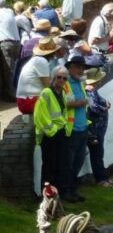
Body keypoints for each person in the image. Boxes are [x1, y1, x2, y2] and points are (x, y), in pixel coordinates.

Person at [33, 66, 70, 195]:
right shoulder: (46, 93)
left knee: (58, 166)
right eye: (59, 77)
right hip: (50, 136)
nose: (62, 80)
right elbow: (39, 115)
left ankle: (56, 196)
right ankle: (47, 198)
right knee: (49, 168)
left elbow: (62, 112)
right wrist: (52, 130)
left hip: (60, 133)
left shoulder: (63, 92)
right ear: (53, 77)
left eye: (65, 78)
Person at [62, 56, 90, 202]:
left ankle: (73, 190)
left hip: (82, 128)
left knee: (78, 162)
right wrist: (82, 102)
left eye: (82, 67)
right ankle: (65, 192)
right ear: (70, 68)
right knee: (68, 163)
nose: (80, 70)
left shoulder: (79, 83)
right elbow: (66, 104)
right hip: (71, 129)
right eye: (77, 67)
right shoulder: (66, 83)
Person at [85, 67, 113, 188]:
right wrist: (105, 108)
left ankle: (104, 177)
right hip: (94, 129)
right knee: (97, 154)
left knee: (99, 154)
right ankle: (101, 179)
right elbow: (93, 107)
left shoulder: (93, 90)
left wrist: (105, 103)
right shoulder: (90, 91)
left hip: (99, 129)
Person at [16, 35, 57, 113]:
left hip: (24, 100)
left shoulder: (36, 60)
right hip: (29, 101)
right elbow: (48, 86)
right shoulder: (41, 61)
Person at [0, 0, 22, 101]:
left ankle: (11, 95)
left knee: (8, 70)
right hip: (16, 43)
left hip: (6, 43)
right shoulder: (9, 12)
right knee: (13, 69)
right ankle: (10, 92)